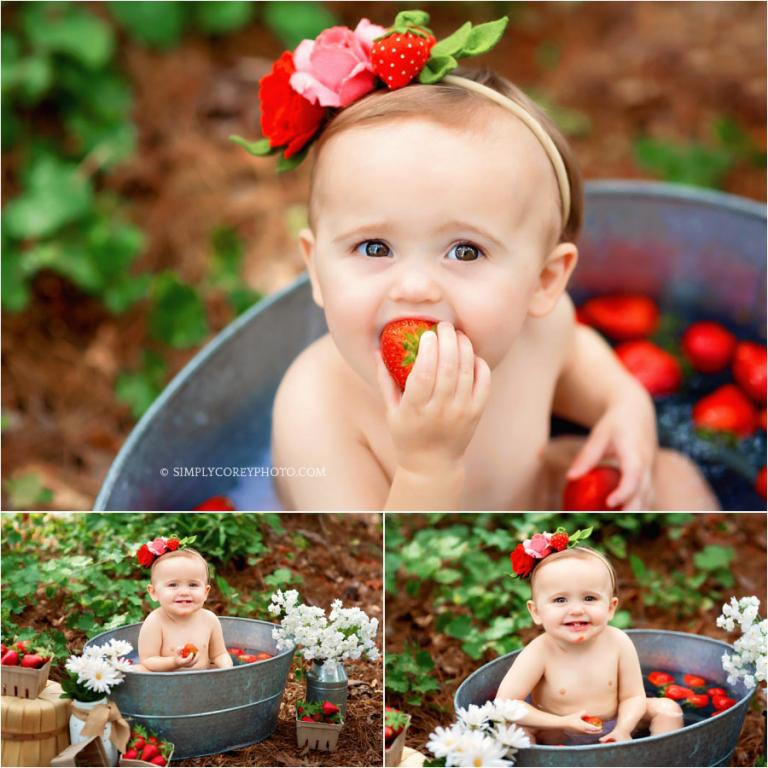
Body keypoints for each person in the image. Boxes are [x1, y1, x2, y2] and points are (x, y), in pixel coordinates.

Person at [244, 9, 717, 510]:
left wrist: (623, 402)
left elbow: (574, 353)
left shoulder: (539, 326)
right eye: (375, 247)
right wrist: (426, 466)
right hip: (429, 568)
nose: (416, 287)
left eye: (465, 251)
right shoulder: (316, 405)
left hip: (539, 505)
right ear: (316, 268)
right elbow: (377, 573)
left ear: (543, 281)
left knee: (674, 477)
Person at [496, 529, 684, 744]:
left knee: (668, 709)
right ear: (536, 612)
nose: (576, 610)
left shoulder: (618, 642)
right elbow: (506, 703)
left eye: (589, 598)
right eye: (560, 600)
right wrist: (563, 722)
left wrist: (623, 728)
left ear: (611, 607)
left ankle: (662, 759)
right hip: (557, 731)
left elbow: (632, 697)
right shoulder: (540, 651)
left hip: (614, 722)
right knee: (512, 726)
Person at [134, 537, 233, 672]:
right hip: (165, 682)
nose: (184, 592)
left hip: (204, 680)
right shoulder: (155, 622)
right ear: (154, 592)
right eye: (173, 585)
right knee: (137, 670)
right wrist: (175, 662)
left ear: (205, 592)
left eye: (193, 585)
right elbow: (148, 660)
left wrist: (227, 668)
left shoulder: (209, 619)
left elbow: (219, 654)